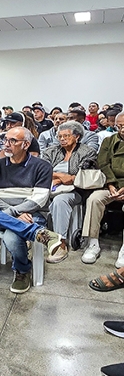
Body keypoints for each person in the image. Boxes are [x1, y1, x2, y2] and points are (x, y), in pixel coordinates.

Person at [0, 127, 66, 293]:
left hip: (31, 214)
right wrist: (13, 213)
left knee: (12, 237)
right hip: (4, 213)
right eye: (5, 140)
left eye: (13, 141)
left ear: (26, 144)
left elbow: (39, 199)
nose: (6, 144)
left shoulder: (42, 166)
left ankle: (22, 270)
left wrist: (3, 216)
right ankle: (39, 234)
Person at [41, 121, 98, 262]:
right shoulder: (51, 151)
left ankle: (60, 244)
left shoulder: (87, 152)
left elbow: (79, 176)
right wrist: (62, 177)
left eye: (66, 136)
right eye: (59, 136)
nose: (62, 139)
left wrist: (58, 177)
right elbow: (43, 171)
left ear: (77, 136)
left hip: (76, 191)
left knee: (60, 201)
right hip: (50, 187)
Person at [81, 111, 124, 269]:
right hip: (110, 184)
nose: (122, 129)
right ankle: (92, 243)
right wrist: (111, 184)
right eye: (119, 126)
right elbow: (103, 163)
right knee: (94, 199)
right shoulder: (109, 140)